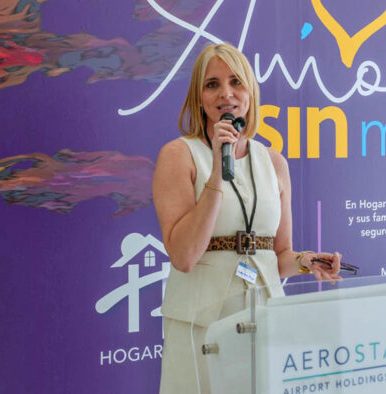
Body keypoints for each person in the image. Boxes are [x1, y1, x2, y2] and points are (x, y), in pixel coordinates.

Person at [152, 43, 342, 394]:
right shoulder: (179, 155)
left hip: (263, 317)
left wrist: (306, 261)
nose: (225, 94)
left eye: (236, 82)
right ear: (199, 97)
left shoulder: (274, 162)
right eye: (212, 84)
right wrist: (215, 178)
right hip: (201, 323)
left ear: (250, 93)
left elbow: (279, 255)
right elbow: (183, 256)